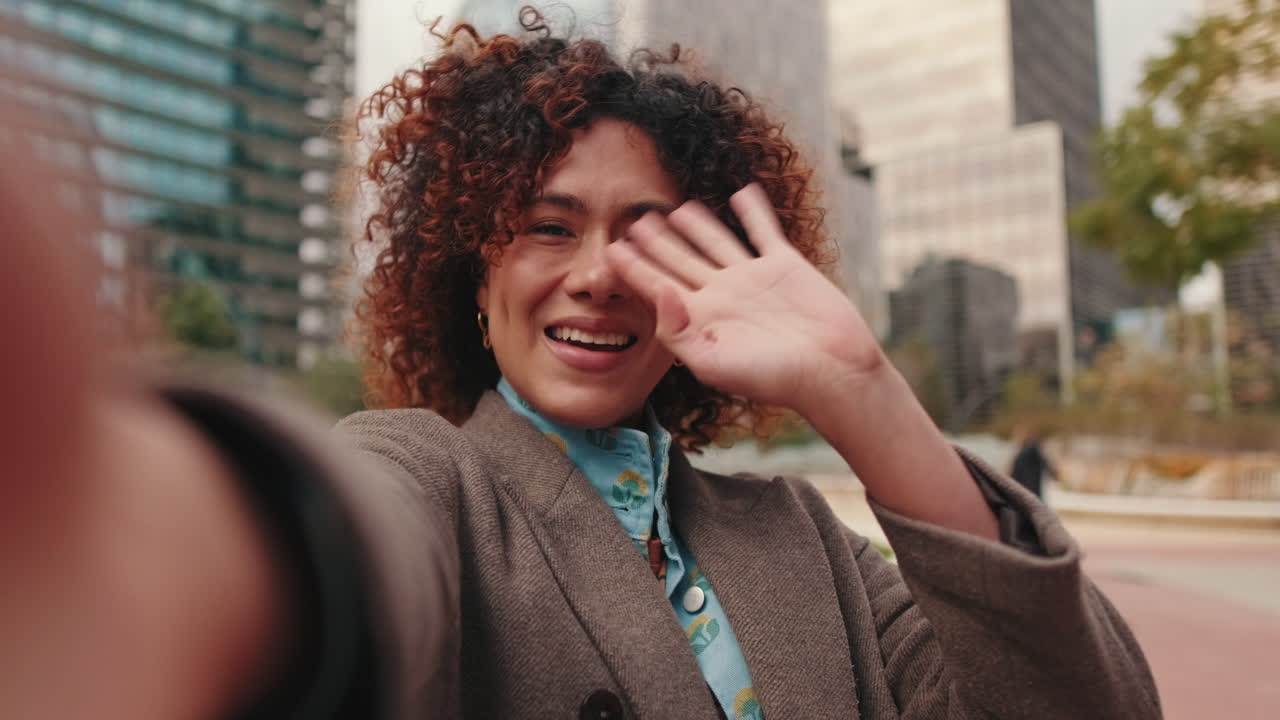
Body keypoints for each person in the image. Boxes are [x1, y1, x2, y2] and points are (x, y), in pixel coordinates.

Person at [1, 11, 1161, 720]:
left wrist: (861, 389)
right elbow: (340, 548)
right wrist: (107, 544)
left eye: (647, 234)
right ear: (470, 271)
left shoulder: (798, 535)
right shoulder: (434, 477)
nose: (600, 274)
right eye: (547, 227)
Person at [1009, 427, 1059, 499]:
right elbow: (1046, 465)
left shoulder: (1028, 451)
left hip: (1027, 492)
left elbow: (1015, 473)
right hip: (1031, 493)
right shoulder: (1029, 452)